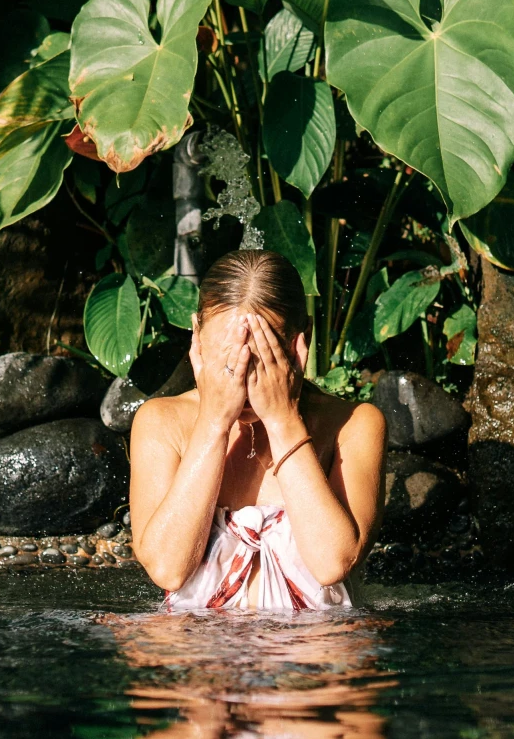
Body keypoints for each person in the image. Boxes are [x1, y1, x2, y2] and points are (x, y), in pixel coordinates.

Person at [129, 250, 386, 610]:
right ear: (197, 337)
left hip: (313, 653)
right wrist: (214, 423)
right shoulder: (162, 422)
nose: (242, 378)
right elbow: (168, 570)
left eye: (262, 358)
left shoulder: (354, 425)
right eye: (227, 357)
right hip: (200, 656)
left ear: (300, 342)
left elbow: (332, 564)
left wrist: (282, 421)